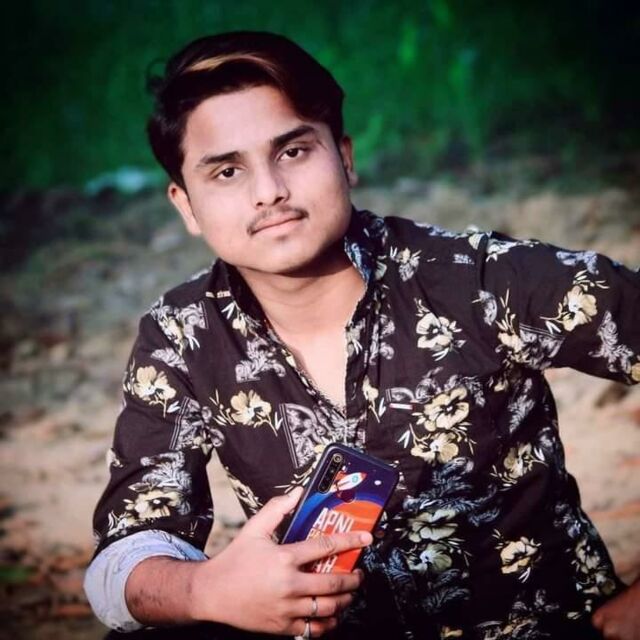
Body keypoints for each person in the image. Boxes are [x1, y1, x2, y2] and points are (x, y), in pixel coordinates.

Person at [84, 31, 640, 640]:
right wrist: (206, 589)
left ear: (344, 157)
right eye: (227, 171)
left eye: (293, 151)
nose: (268, 192)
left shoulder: (474, 280)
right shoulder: (181, 333)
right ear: (186, 205)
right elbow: (123, 557)